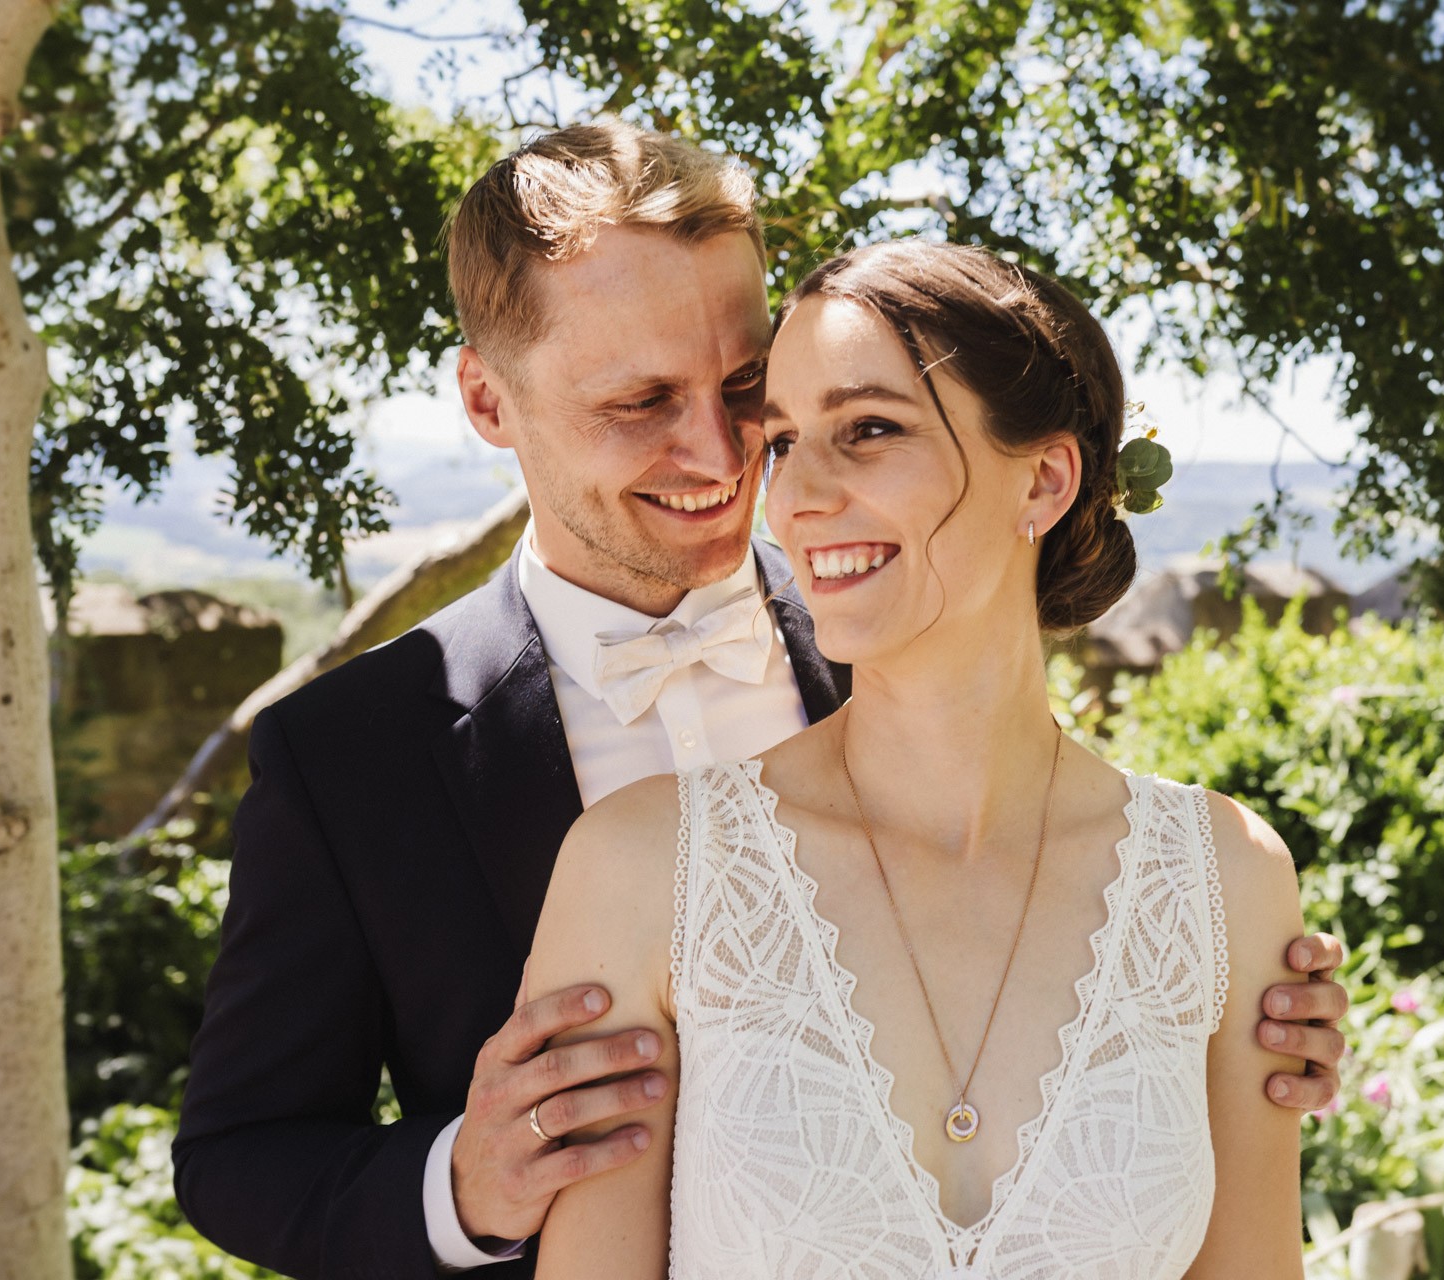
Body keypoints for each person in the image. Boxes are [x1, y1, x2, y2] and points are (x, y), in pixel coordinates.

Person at [173, 121, 1348, 1280]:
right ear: (488, 402)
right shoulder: (350, 758)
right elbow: (241, 1154)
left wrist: (1191, 1035)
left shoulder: (904, 615)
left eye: (745, 391)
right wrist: (469, 1182)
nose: (724, 456)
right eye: (640, 401)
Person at [523, 239, 1308, 1278]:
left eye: (872, 429)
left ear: (1045, 480)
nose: (797, 494)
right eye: (788, 441)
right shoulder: (641, 868)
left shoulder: (1229, 882)